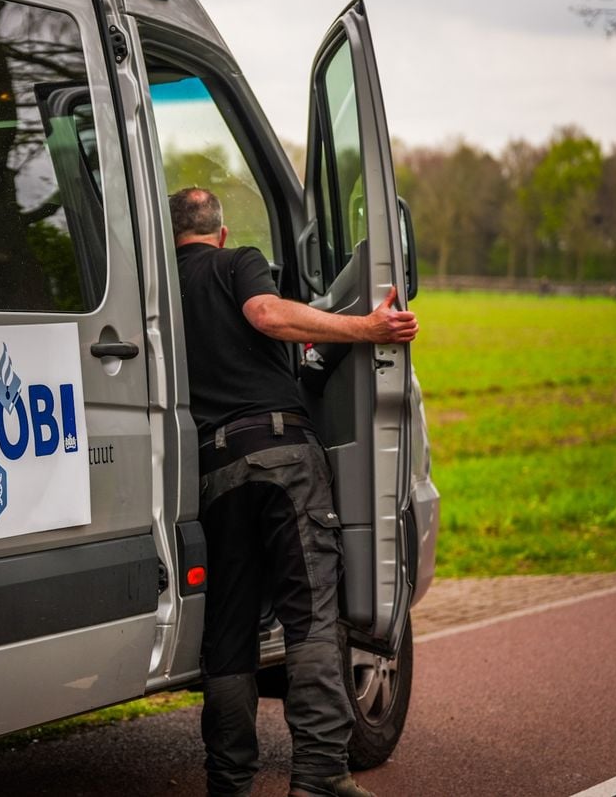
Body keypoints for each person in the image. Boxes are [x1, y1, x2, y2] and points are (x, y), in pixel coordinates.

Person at [169, 187, 419, 797]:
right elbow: (265, 315)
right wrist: (365, 326)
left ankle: (228, 783)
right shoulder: (237, 262)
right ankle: (319, 775)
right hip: (282, 458)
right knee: (310, 617)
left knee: (229, 632)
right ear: (220, 232)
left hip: (214, 472)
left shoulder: (160, 291)